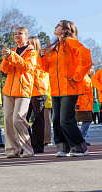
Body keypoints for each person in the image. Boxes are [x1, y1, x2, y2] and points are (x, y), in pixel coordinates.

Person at [39, 20, 92, 157]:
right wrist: (42, 57)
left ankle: (80, 147)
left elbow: (86, 57)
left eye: (58, 25)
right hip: (56, 89)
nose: (55, 26)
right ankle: (62, 147)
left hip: (70, 87)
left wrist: (76, 76)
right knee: (57, 120)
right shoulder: (55, 46)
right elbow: (46, 68)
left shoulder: (70, 42)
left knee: (65, 119)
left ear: (65, 29)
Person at [0, 27, 37, 158]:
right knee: (8, 121)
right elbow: (4, 70)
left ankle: (28, 149)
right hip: (9, 90)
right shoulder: (13, 51)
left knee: (18, 119)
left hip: (23, 90)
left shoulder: (32, 51)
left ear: (26, 36)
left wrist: (12, 56)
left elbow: (26, 67)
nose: (17, 35)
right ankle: (12, 149)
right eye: (15, 34)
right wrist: (6, 58)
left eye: (20, 33)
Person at [26, 36, 48, 153]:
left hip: (38, 91)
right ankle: (27, 145)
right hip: (26, 91)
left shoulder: (40, 56)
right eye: (28, 43)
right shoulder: (25, 55)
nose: (30, 45)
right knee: (23, 119)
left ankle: (38, 146)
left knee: (38, 119)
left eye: (32, 43)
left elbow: (44, 70)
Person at [75, 65, 94, 146]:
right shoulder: (83, 78)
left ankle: (82, 138)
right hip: (82, 104)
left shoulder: (87, 77)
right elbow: (78, 91)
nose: (91, 70)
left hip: (87, 104)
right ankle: (81, 138)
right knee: (87, 120)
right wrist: (77, 104)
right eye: (90, 68)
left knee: (87, 120)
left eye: (92, 69)